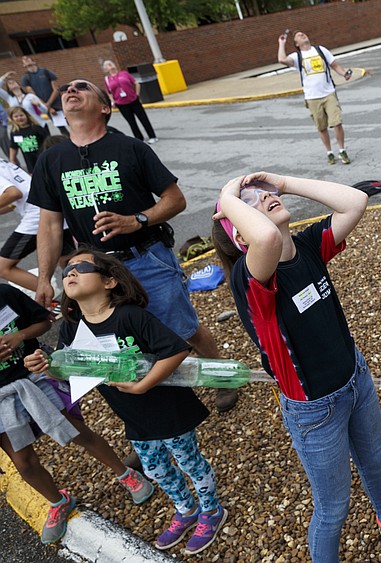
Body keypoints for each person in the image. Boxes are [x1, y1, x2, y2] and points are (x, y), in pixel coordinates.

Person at [212, 172, 381, 561]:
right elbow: (264, 239)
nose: (264, 198)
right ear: (239, 238)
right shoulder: (250, 279)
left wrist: (281, 181)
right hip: (314, 409)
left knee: (375, 461)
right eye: (249, 204)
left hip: (356, 378)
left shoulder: (307, 246)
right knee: (333, 508)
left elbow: (354, 201)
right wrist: (225, 196)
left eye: (263, 194)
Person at [27, 79, 238, 414]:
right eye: (67, 88)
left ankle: (222, 378)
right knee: (123, 345)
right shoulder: (51, 160)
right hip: (95, 271)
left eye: (83, 87)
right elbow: (50, 225)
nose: (70, 90)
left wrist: (135, 220)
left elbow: (175, 200)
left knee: (182, 329)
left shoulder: (130, 149)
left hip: (147, 257)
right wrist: (43, 280)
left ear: (104, 108)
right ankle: (155, 418)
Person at [25, 249, 226, 554]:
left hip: (169, 408)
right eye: (66, 271)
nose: (70, 273)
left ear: (109, 281)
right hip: (132, 416)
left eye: (80, 267)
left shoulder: (131, 316)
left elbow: (174, 350)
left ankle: (211, 511)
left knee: (190, 463)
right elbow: (68, 367)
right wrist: (47, 365)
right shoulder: (71, 328)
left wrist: (143, 385)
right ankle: (186, 510)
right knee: (157, 469)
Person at [2, 283, 153, 545]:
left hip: (33, 379)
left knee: (77, 432)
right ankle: (58, 501)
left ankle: (125, 474)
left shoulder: (4, 294)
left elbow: (44, 322)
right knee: (22, 460)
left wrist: (20, 336)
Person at [277, 30, 353, 165]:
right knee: (321, 127)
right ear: (297, 43)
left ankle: (342, 150)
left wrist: (344, 74)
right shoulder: (297, 56)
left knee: (337, 122)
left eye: (303, 33)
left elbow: (334, 65)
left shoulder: (320, 50)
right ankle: (329, 152)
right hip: (312, 97)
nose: (303, 35)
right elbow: (282, 60)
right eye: (299, 36)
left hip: (329, 92)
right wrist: (281, 43)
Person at [0, 157, 74, 295]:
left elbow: (13, 193)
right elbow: (13, 202)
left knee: (3, 267)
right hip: (48, 205)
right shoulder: (2, 162)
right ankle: (79, 298)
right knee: (67, 260)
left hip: (37, 214)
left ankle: (54, 297)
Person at [102, 60, 158, 144]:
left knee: (143, 118)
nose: (110, 65)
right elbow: (109, 92)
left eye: (111, 63)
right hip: (121, 103)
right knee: (131, 122)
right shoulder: (107, 79)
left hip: (133, 100)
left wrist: (137, 94)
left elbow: (136, 83)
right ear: (106, 69)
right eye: (107, 65)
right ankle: (139, 139)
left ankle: (152, 136)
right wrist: (113, 101)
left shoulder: (124, 74)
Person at [19, 56, 69, 135]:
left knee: (71, 121)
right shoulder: (26, 78)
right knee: (61, 127)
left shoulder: (45, 72)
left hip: (57, 102)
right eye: (24, 60)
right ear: (23, 65)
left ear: (34, 61)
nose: (26, 61)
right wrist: (47, 107)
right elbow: (32, 95)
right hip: (43, 105)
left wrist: (48, 103)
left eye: (27, 59)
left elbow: (56, 89)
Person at [8, 106, 49, 171]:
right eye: (16, 116)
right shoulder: (15, 132)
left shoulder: (36, 128)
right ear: (12, 118)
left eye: (21, 115)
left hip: (43, 160)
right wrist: (12, 160)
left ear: (26, 115)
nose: (19, 118)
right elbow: (13, 147)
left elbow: (48, 142)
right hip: (31, 164)